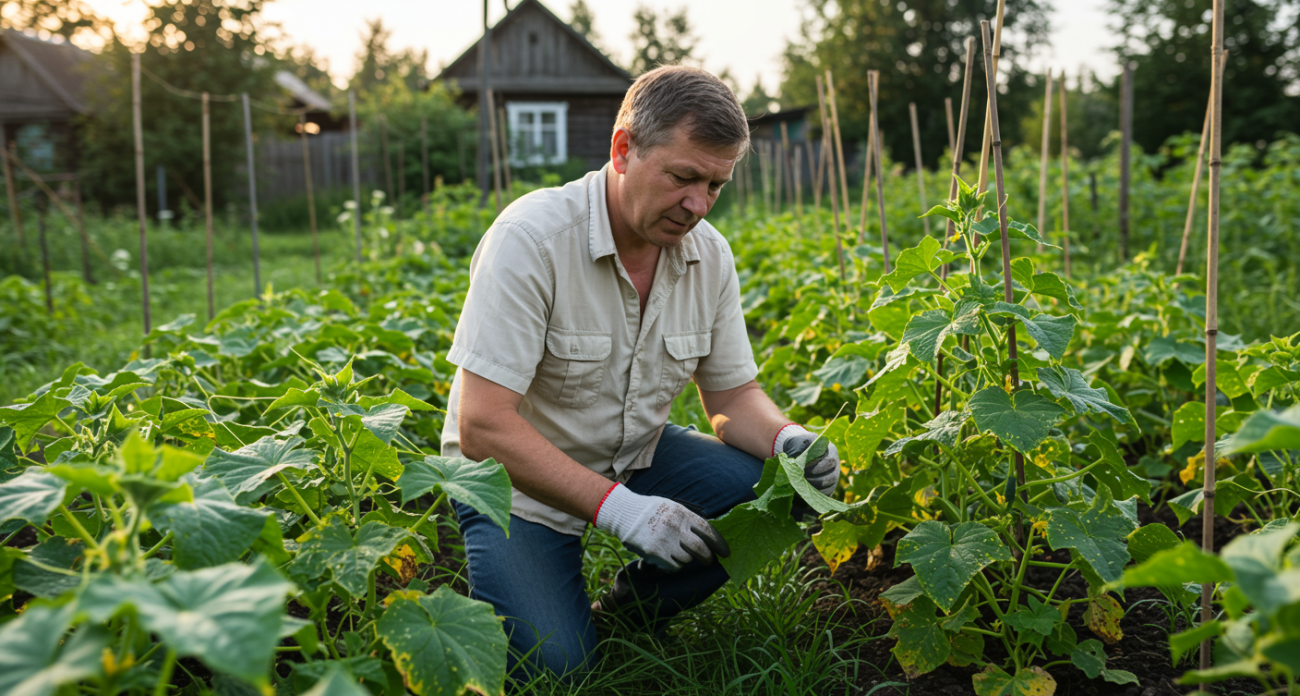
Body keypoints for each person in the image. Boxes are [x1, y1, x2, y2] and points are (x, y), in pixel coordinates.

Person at [440, 65, 840, 681]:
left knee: (772, 492)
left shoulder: (709, 256)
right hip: (514, 487)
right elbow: (483, 427)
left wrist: (788, 440)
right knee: (558, 669)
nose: (698, 206)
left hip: (631, 455)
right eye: (683, 177)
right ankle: (536, 602)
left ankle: (628, 611)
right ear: (623, 149)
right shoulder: (531, 239)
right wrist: (622, 511)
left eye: (715, 185)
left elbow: (732, 393)